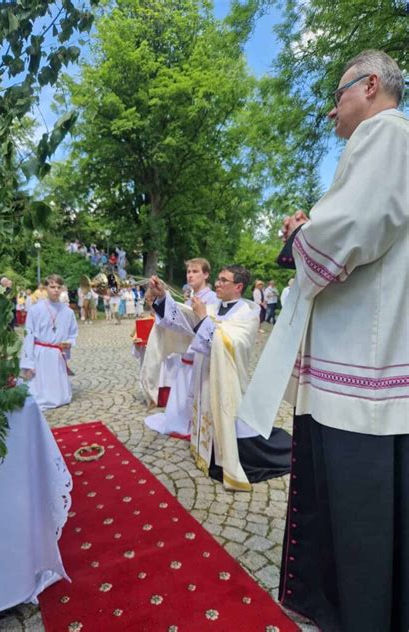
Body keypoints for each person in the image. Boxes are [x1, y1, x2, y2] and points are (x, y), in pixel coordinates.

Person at [238, 51, 408, 631]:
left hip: (363, 370)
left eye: (337, 95)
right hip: (365, 360)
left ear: (369, 86)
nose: (332, 109)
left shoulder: (387, 135)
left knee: (355, 514)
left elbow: (350, 231)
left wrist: (300, 235)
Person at [148, 265, 291, 490]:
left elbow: (233, 343)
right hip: (204, 373)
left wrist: (204, 318)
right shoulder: (213, 305)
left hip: (228, 377)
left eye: (224, 280)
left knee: (230, 418)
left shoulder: (248, 312)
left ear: (238, 287)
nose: (217, 283)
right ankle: (209, 450)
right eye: (218, 279)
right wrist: (162, 297)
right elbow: (184, 322)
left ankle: (229, 457)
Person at [143, 258, 218, 437]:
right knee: (181, 410)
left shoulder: (214, 299)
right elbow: (176, 322)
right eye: (188, 272)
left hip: (203, 359)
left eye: (195, 271)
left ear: (206, 274)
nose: (190, 275)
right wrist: (161, 297)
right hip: (187, 357)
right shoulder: (191, 297)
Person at [20, 274, 78, 410]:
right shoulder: (35, 310)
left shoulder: (68, 312)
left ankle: (58, 396)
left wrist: (69, 342)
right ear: (46, 288)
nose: (56, 290)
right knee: (40, 389)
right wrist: (28, 363)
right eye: (52, 287)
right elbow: (29, 336)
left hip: (56, 353)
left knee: (60, 396)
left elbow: (73, 333)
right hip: (40, 352)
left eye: (59, 287)